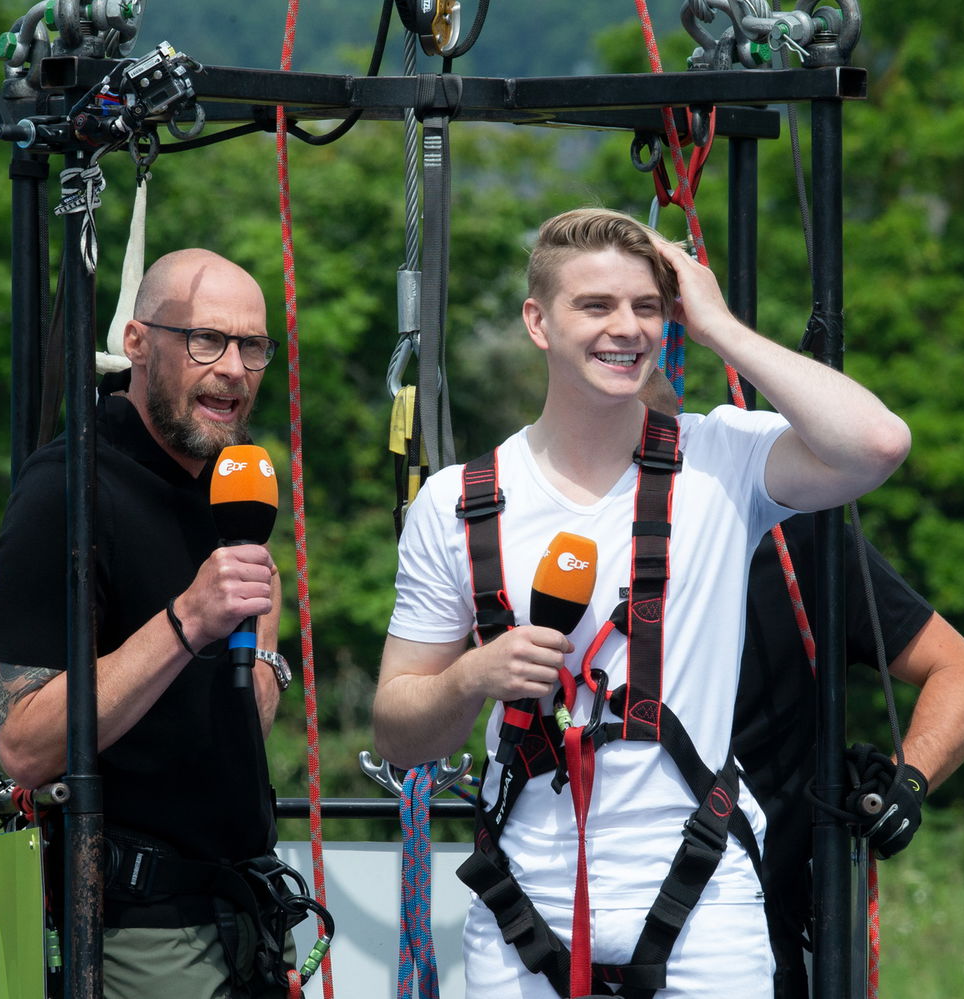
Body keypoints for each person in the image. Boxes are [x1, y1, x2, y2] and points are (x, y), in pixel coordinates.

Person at [373, 208, 912, 998]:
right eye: (595, 306)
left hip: (704, 901)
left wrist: (719, 322)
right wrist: (471, 678)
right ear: (538, 321)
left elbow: (877, 443)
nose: (625, 328)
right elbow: (396, 730)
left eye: (647, 307)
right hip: (526, 904)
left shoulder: (719, 457)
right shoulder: (458, 502)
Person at [0, 248, 296, 998]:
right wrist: (189, 618)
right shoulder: (68, 490)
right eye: (205, 340)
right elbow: (24, 745)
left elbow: (235, 726)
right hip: (137, 931)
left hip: (245, 915)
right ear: (136, 343)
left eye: (252, 346)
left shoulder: (223, 488)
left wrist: (264, 653)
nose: (232, 368)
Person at [734, 516, 964, 999]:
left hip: (754, 932)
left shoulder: (794, 536)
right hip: (565, 921)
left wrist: (909, 780)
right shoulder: (570, 520)